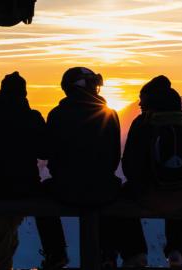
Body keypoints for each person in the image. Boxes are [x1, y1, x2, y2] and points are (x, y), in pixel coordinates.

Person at [0, 72, 68, 270]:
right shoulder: (32, 117)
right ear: (24, 93)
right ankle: (55, 254)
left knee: (2, 233)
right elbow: (44, 150)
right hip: (26, 184)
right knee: (10, 231)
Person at [120, 75, 182, 267]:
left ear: (149, 101)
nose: (140, 105)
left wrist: (143, 184)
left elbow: (129, 166)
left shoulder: (141, 123)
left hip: (147, 194)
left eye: (142, 101)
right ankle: (177, 252)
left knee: (120, 199)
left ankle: (136, 254)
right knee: (181, 195)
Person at [46, 67, 122, 266]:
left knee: (40, 193)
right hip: (104, 189)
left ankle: (55, 253)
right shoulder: (110, 114)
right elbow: (114, 158)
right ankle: (108, 254)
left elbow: (48, 153)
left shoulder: (56, 115)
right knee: (112, 192)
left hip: (65, 190)